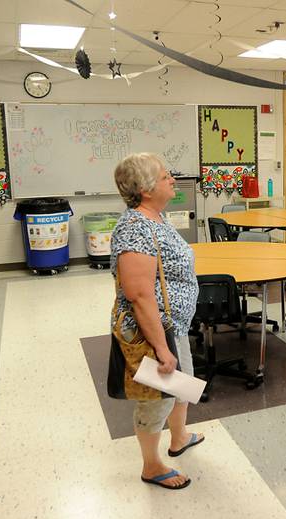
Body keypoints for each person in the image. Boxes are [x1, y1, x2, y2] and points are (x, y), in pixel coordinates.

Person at [111, 153, 204, 490]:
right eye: (166, 177)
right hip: (155, 332)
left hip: (173, 326)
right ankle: (151, 465)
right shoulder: (136, 227)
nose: (173, 181)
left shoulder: (155, 218)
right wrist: (163, 350)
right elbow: (139, 295)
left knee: (181, 385)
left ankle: (178, 437)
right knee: (157, 397)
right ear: (147, 188)